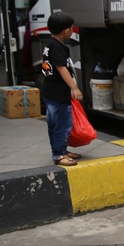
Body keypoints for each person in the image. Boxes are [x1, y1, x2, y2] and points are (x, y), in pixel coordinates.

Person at [41, 11, 83, 166]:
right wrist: (74, 88)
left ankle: (61, 150)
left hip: (49, 91)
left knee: (54, 125)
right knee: (62, 126)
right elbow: (61, 68)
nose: (72, 31)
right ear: (66, 31)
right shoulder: (58, 47)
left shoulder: (49, 44)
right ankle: (59, 154)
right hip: (58, 94)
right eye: (72, 28)